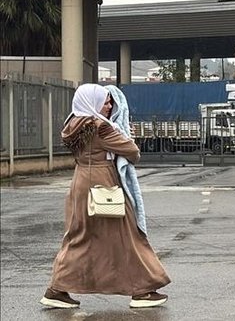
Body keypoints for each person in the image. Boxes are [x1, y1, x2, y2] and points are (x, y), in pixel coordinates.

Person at [40, 84, 170, 309]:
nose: (110, 106)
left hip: (81, 183)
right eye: (105, 101)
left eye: (110, 101)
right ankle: (143, 290)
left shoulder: (74, 123)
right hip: (104, 182)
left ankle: (57, 289)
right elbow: (132, 151)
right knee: (128, 235)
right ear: (92, 102)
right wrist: (123, 133)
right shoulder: (100, 126)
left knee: (80, 237)